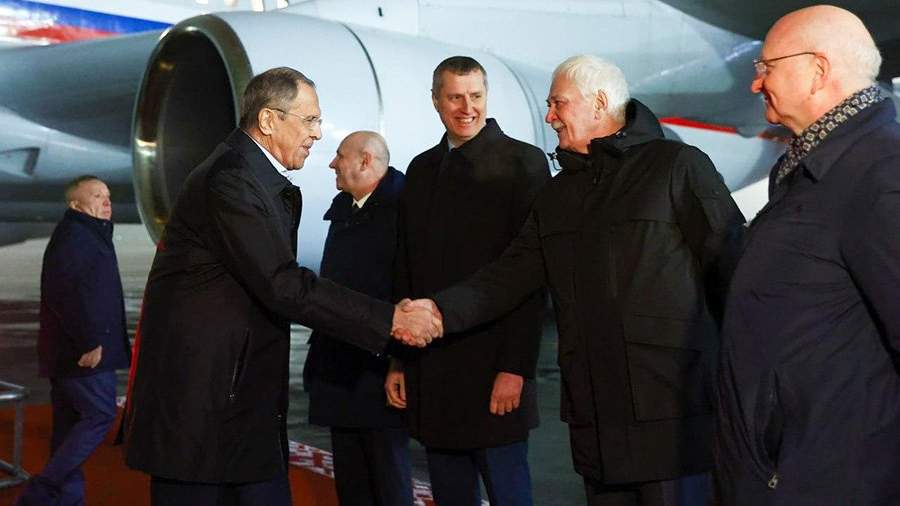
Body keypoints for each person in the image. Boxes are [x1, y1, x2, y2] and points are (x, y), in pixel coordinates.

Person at [402, 54, 745, 505]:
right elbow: (508, 276)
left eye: (557, 103)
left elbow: (735, 274)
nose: (549, 116)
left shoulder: (677, 166)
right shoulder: (559, 194)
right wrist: (438, 311)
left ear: (599, 103)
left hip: (671, 424)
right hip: (596, 428)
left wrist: (746, 391)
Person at [122, 67, 440, 506]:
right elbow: (282, 283)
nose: (317, 134)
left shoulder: (250, 178)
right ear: (269, 120)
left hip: (235, 403)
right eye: (309, 120)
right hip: (203, 408)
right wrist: (390, 320)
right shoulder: (230, 181)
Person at [713, 6, 900, 505]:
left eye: (767, 67)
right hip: (782, 472)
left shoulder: (878, 173)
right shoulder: (815, 167)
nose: (756, 84)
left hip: (823, 480)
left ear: (818, 69)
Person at [387, 56, 550, 506]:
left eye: (475, 96)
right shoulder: (421, 170)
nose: (467, 108)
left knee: (508, 493)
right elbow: (406, 269)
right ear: (436, 101)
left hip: (494, 371)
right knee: (450, 495)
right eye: (455, 97)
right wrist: (399, 359)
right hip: (431, 370)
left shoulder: (524, 163)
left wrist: (516, 369)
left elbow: (531, 275)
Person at [303, 131, 413, 506]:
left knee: (388, 479)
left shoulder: (404, 211)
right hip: (339, 368)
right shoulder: (346, 209)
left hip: (379, 371)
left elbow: (410, 290)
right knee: (352, 482)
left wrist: (401, 361)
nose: (332, 163)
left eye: (339, 155)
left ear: (365, 161)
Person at [16, 176, 131, 506]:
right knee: (100, 415)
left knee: (68, 428)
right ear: (75, 204)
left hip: (72, 350)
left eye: (107, 195)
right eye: (96, 196)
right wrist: (89, 342)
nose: (106, 201)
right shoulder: (77, 237)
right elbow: (65, 294)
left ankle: (66, 500)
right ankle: (41, 491)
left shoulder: (87, 233)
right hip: (85, 353)